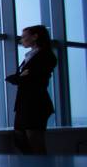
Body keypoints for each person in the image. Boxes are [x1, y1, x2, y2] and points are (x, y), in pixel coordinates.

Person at [6, 25, 57, 155]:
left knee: (35, 142)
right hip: (25, 104)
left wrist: (18, 77)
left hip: (35, 103)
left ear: (35, 37)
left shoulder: (45, 55)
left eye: (24, 36)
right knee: (21, 139)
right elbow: (21, 77)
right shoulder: (30, 57)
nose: (21, 39)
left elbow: (30, 78)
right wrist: (20, 77)